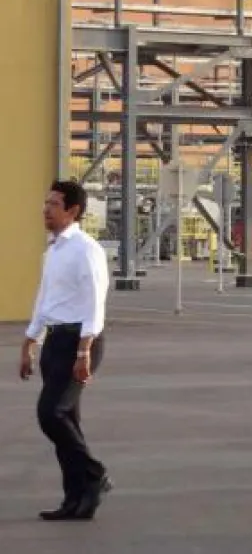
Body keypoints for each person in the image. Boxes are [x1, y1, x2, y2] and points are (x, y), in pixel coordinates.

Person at [17, 179, 113, 521]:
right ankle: (77, 500)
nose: (46, 209)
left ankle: (93, 473)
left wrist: (84, 352)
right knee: (68, 419)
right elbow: (46, 299)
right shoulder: (54, 251)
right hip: (56, 340)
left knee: (51, 413)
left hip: (80, 342)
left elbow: (95, 303)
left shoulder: (86, 249)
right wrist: (30, 340)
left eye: (54, 204)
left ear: (73, 211)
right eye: (46, 203)